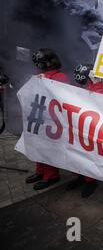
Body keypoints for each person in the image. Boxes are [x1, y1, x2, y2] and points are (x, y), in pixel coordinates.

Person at [25, 49, 69, 190]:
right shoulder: (39, 75)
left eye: (41, 63)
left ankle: (51, 176)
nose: (38, 66)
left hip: (52, 119)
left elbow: (58, 96)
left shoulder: (60, 76)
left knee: (48, 148)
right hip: (39, 115)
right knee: (38, 146)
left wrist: (43, 81)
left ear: (50, 63)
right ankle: (40, 171)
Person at [65, 64, 103, 198]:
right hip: (76, 125)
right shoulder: (77, 86)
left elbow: (98, 101)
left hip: (89, 127)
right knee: (76, 153)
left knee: (87, 156)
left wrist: (97, 84)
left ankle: (90, 181)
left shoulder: (97, 86)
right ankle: (79, 176)